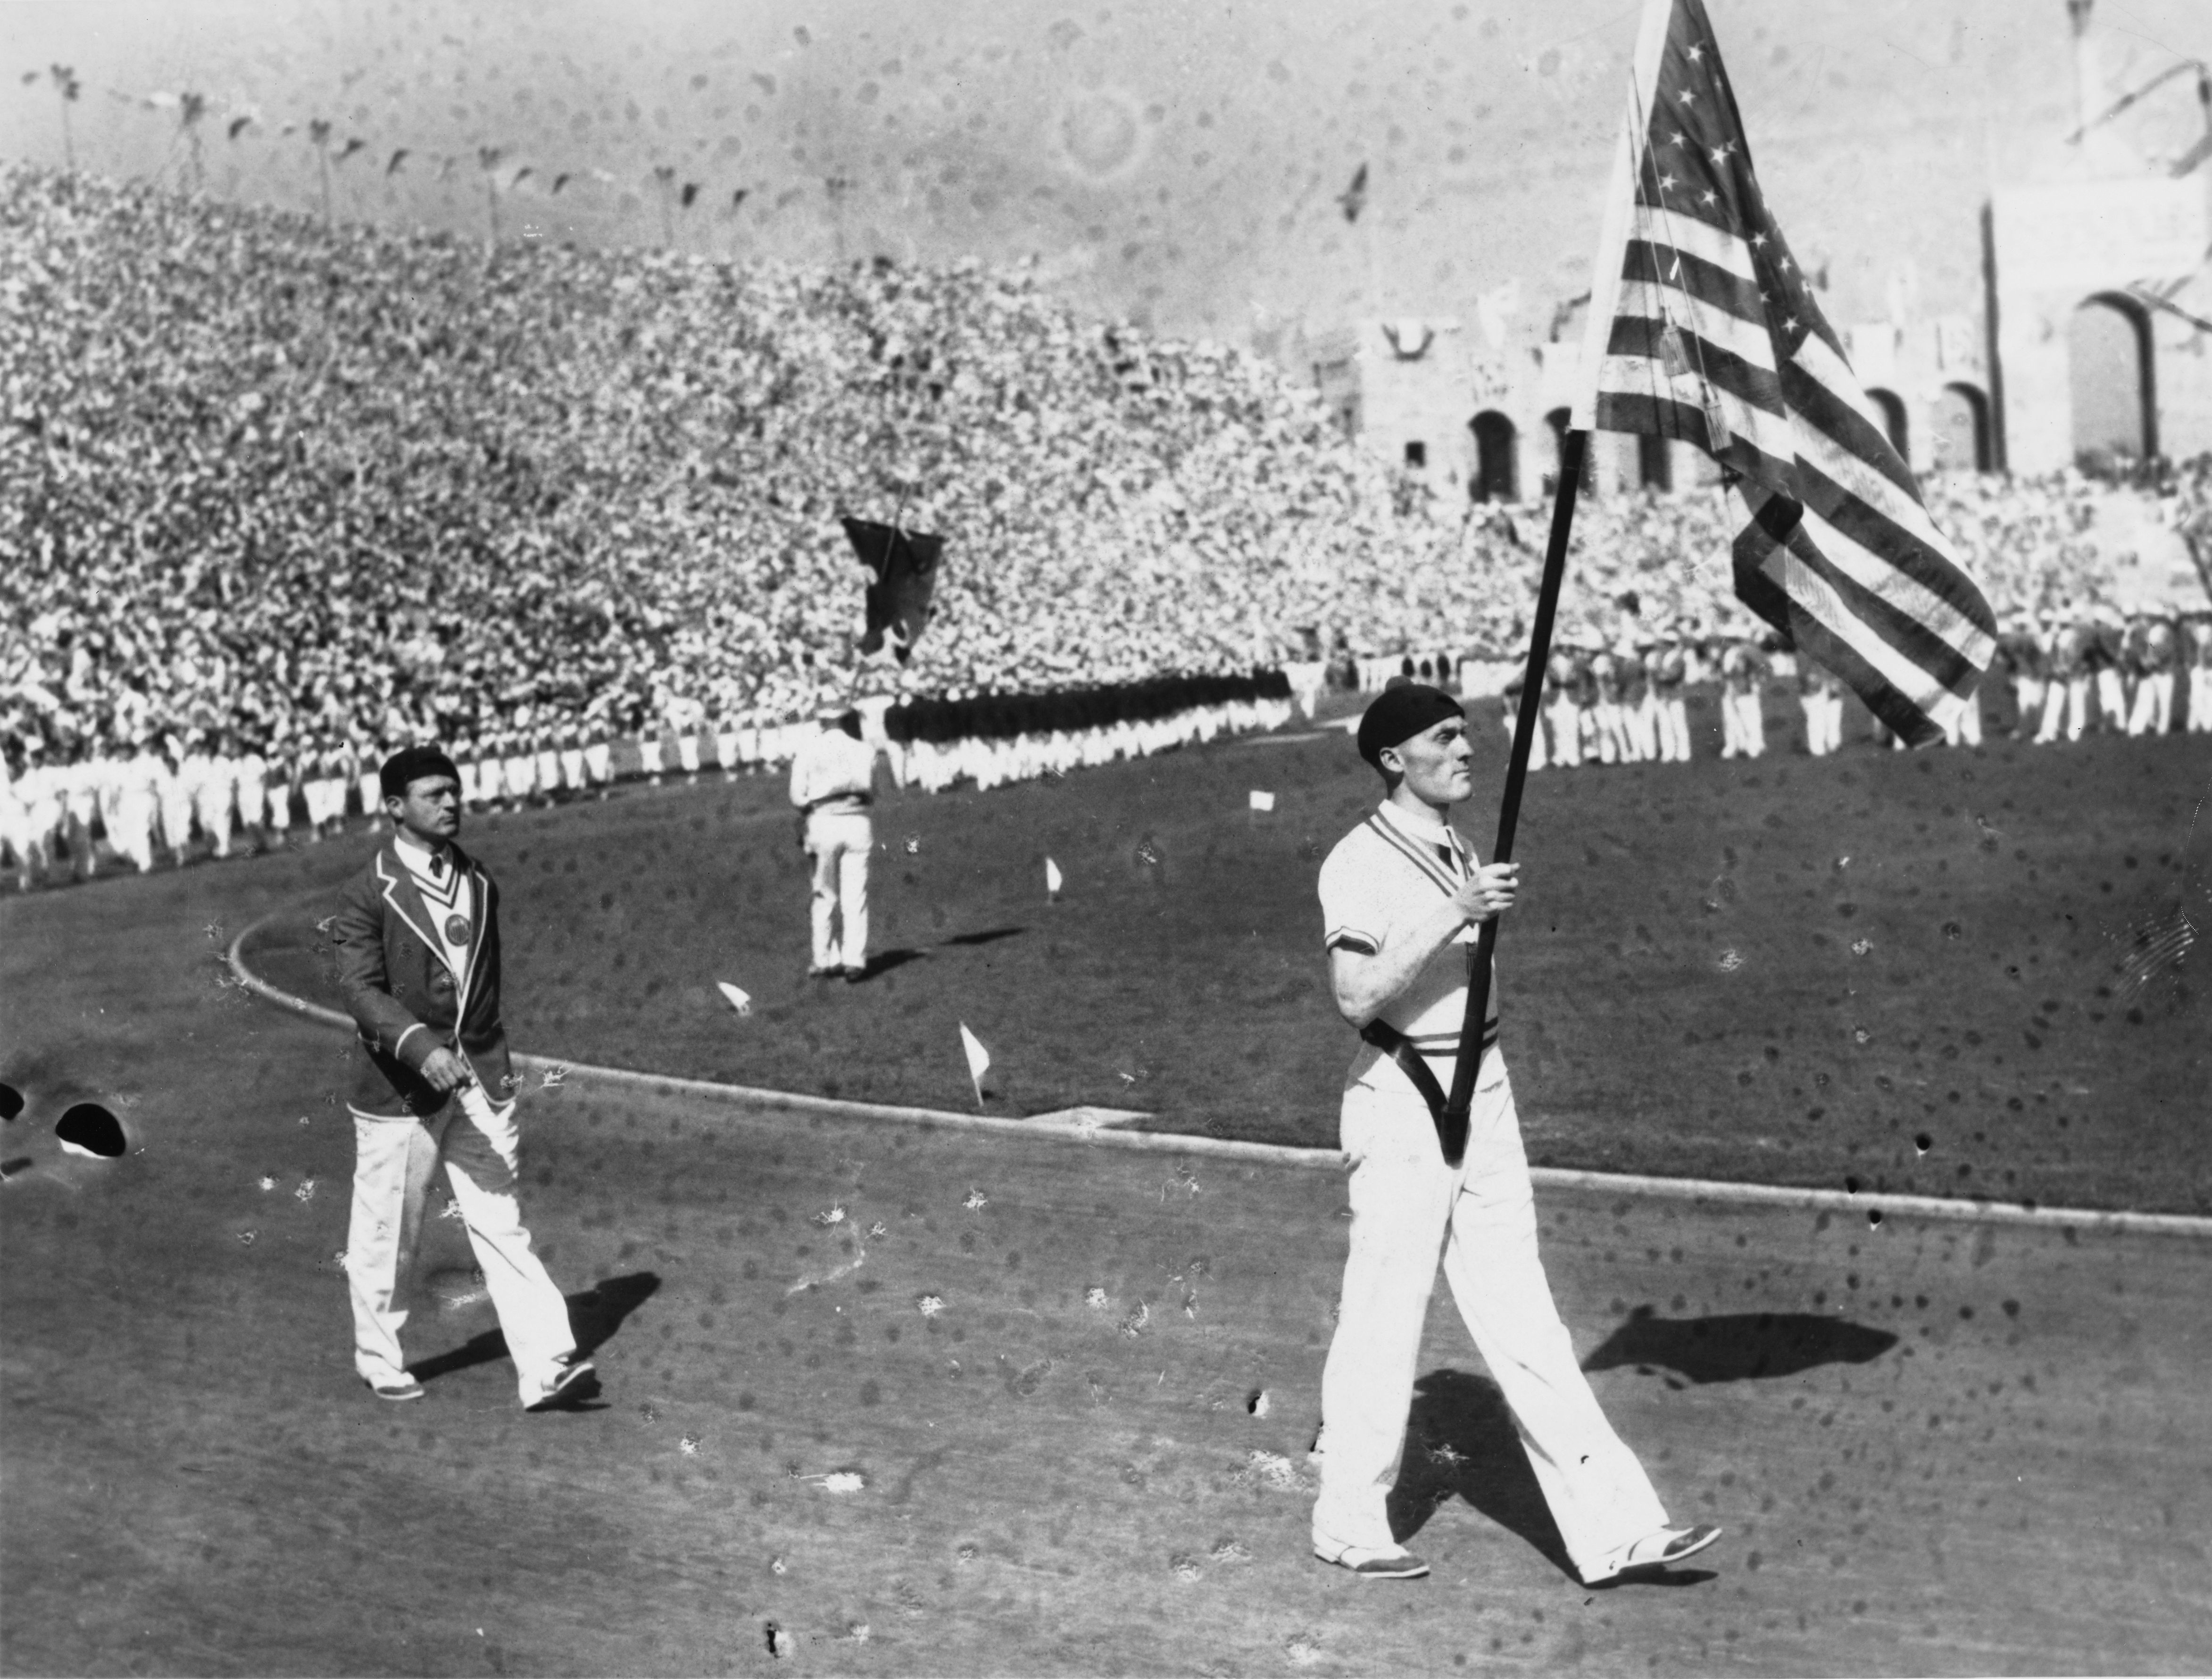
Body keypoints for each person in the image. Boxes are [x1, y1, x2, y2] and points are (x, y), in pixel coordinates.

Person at [1307, 685, 1720, 1585]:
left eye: (1465, 733)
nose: (1465, 749)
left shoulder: (1453, 840)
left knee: (1528, 1316)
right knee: (1387, 1314)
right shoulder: (1358, 859)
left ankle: (1618, 1530)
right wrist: (1457, 911)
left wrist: (1462, 898)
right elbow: (1355, 997)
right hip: (1407, 1094)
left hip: (1483, 1089)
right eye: (1443, 737)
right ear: (1391, 759)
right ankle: (1349, 1524)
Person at [326, 745, 596, 1411]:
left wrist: (484, 1058)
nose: (451, 803)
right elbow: (359, 989)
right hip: (400, 1090)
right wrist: (420, 1047)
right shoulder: (366, 893)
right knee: (391, 1230)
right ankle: (379, 1356)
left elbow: (484, 987)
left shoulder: (477, 880)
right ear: (394, 808)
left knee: (501, 1223)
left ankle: (545, 1365)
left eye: (454, 790)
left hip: (479, 1077)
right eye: (433, 794)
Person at [789, 705, 880, 981]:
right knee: (856, 895)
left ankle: (824, 959)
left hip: (824, 821)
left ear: (822, 721)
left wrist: (809, 808)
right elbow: (873, 793)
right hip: (857, 821)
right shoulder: (865, 750)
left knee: (824, 893)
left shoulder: (808, 749)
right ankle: (854, 960)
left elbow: (797, 796)